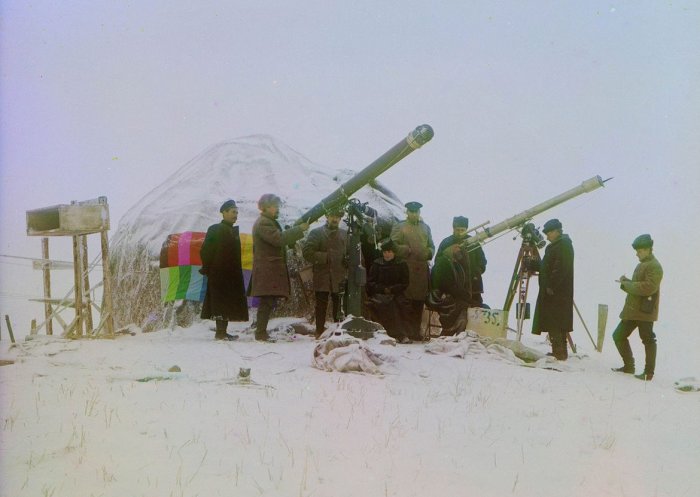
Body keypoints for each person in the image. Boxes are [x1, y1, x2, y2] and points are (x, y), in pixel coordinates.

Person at [249, 194, 309, 341]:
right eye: (274, 206)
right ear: (265, 207)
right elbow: (279, 239)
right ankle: (260, 333)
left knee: (267, 301)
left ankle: (261, 332)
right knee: (266, 301)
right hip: (267, 270)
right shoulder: (264, 223)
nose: (277, 209)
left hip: (269, 269)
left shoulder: (268, 222)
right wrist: (299, 229)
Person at [612, 234, 663, 381]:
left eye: (640, 251)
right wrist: (626, 281)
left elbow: (648, 288)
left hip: (645, 311)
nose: (637, 253)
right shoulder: (643, 264)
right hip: (633, 310)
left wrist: (627, 284)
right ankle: (629, 366)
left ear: (648, 249)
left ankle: (648, 373)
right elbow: (639, 284)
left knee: (648, 340)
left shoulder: (655, 266)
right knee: (618, 336)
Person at [200, 199, 249, 341]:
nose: (236, 215)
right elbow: (205, 251)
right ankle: (220, 333)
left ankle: (222, 332)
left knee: (226, 302)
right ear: (224, 213)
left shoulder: (232, 231)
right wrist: (209, 269)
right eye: (233, 212)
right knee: (220, 303)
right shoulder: (215, 229)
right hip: (219, 274)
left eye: (237, 213)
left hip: (231, 275)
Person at [431, 216, 487, 335]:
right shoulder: (446, 243)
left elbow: (482, 262)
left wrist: (476, 271)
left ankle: (470, 334)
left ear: (466, 229)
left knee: (476, 308)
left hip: (473, 286)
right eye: (457, 229)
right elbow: (438, 263)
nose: (460, 232)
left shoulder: (473, 242)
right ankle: (452, 332)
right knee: (454, 308)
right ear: (453, 228)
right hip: (452, 286)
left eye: (462, 230)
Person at [390, 201, 434, 341]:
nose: (414, 214)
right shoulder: (400, 226)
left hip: (421, 269)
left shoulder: (425, 228)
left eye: (416, 212)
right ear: (407, 212)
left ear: (419, 213)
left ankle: (416, 332)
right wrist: (406, 250)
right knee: (406, 302)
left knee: (419, 302)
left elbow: (432, 246)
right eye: (411, 211)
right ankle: (405, 333)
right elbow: (393, 244)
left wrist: (428, 253)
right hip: (406, 268)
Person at [301, 208, 348, 338]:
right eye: (332, 215)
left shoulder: (345, 234)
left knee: (339, 306)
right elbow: (307, 252)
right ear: (326, 216)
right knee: (321, 305)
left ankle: (338, 331)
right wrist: (325, 257)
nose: (335, 219)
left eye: (338, 217)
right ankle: (319, 331)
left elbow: (350, 253)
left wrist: (347, 260)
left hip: (339, 276)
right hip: (322, 275)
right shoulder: (316, 233)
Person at [531, 218, 574, 360]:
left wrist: (551, 286)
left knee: (555, 322)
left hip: (557, 293)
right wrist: (536, 265)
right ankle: (559, 351)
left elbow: (560, 269)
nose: (547, 235)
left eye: (549, 232)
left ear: (557, 231)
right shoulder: (558, 245)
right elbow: (549, 267)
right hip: (556, 292)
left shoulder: (563, 245)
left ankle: (559, 353)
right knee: (556, 322)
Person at [366, 239, 411, 343]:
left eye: (389, 252)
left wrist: (392, 289)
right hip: (379, 294)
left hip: (396, 293)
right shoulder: (377, 264)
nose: (387, 254)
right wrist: (382, 289)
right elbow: (371, 282)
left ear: (394, 252)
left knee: (400, 304)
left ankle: (401, 334)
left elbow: (405, 282)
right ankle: (386, 334)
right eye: (385, 252)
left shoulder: (401, 264)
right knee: (384, 304)